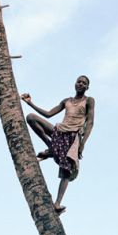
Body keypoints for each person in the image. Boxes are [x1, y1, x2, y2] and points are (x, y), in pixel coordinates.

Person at [21, 75, 95, 214]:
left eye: (84, 83)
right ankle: (51, 148)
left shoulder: (89, 101)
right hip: (59, 132)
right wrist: (30, 103)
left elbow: (90, 122)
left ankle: (57, 203)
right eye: (78, 81)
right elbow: (49, 114)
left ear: (87, 87)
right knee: (31, 118)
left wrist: (83, 143)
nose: (80, 84)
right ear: (75, 84)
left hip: (73, 137)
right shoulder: (67, 101)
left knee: (66, 170)